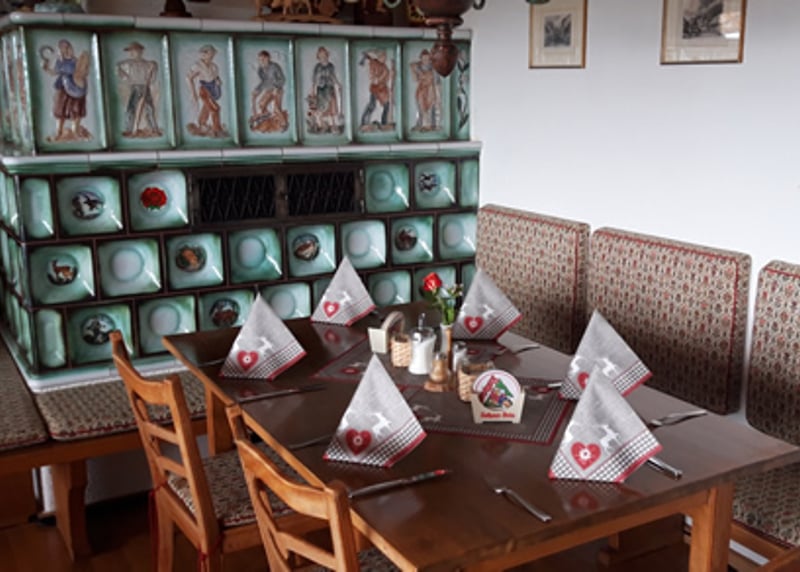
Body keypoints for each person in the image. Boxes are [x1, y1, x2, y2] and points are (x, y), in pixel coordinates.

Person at [41, 38, 90, 141]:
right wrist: (46, 69)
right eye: (62, 49)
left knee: (76, 110)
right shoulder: (60, 62)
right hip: (63, 87)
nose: (65, 51)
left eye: (66, 48)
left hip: (75, 88)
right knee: (60, 110)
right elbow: (55, 73)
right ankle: (59, 132)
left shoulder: (76, 61)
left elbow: (82, 73)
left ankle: (75, 131)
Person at [116, 41, 161, 138]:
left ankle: (153, 128)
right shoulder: (128, 63)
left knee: (149, 108)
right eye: (130, 51)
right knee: (131, 108)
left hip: (145, 86)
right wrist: (127, 78)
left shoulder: (147, 64)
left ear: (140, 52)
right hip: (135, 87)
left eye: (134, 51)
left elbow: (153, 76)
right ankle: (130, 129)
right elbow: (118, 68)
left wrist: (154, 67)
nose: (131, 53)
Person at [186, 44, 225, 137]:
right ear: (203, 54)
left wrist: (218, 82)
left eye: (213, 54)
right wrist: (193, 93)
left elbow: (216, 77)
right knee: (215, 108)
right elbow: (188, 77)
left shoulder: (214, 66)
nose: (211, 56)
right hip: (204, 89)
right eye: (210, 54)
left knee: (207, 107)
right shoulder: (198, 65)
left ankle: (202, 123)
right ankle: (217, 129)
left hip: (213, 89)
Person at [249, 50, 288, 133]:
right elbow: (263, 82)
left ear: (268, 58)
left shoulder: (275, 66)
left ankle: (284, 124)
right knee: (261, 104)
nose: (262, 61)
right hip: (269, 90)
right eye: (260, 60)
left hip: (277, 89)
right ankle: (266, 117)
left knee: (276, 108)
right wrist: (257, 90)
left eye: (263, 59)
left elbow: (282, 79)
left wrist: (276, 87)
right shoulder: (260, 70)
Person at [307, 46, 342, 134]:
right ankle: (322, 125)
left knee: (332, 108)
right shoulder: (317, 67)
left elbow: (333, 76)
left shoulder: (330, 66)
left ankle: (333, 125)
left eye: (324, 55)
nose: (323, 57)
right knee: (321, 108)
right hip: (321, 90)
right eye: (321, 56)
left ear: (327, 55)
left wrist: (338, 83)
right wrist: (312, 90)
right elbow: (314, 80)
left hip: (329, 89)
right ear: (318, 57)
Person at [359, 49, 393, 130]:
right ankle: (364, 122)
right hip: (375, 88)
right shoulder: (374, 63)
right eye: (383, 56)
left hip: (383, 89)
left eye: (385, 57)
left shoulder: (385, 67)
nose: (384, 58)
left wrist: (389, 75)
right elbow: (374, 79)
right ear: (379, 57)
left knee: (386, 105)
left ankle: (384, 123)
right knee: (372, 105)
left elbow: (387, 78)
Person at [410, 49, 440, 132]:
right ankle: (421, 124)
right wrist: (414, 71)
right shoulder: (418, 67)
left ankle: (431, 125)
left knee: (431, 106)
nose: (425, 60)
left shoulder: (433, 68)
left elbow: (437, 81)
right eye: (423, 58)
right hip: (421, 89)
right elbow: (415, 79)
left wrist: (438, 92)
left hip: (430, 89)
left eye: (427, 58)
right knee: (420, 106)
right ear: (421, 59)